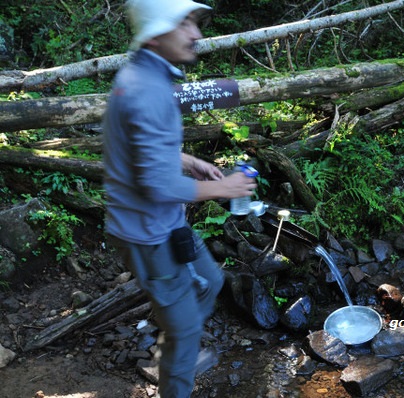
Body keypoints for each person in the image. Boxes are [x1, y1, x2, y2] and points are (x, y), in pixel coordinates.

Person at [101, 0, 257, 396]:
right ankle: (177, 353)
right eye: (184, 23)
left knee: (210, 280)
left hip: (164, 223)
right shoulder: (146, 91)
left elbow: (142, 149)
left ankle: (174, 337)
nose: (196, 34)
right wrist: (224, 188)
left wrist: (189, 160)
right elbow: (156, 185)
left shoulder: (145, 76)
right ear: (155, 34)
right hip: (148, 233)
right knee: (187, 332)